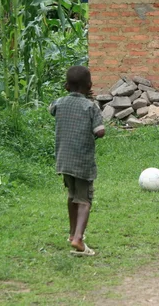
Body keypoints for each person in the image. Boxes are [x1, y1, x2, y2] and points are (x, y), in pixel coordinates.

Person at [48, 66, 105, 256]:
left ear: (66, 86)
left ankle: (72, 233)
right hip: (82, 162)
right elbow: (100, 131)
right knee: (85, 200)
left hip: (64, 160)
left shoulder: (59, 103)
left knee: (72, 196)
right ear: (89, 86)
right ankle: (79, 238)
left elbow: (51, 110)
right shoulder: (90, 107)